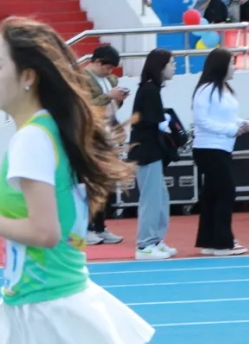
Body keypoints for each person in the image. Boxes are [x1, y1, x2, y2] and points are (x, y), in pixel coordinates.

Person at [0, 16, 242, 344]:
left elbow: (46, 232)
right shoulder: (46, 130)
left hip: (51, 304)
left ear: (28, 76)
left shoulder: (34, 139)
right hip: (24, 300)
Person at [191, 48, 248, 256]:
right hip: (208, 148)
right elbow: (202, 121)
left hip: (222, 147)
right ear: (221, 66)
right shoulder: (206, 90)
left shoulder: (224, 90)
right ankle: (223, 243)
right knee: (226, 192)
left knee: (212, 194)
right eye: (232, 63)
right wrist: (231, 130)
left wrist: (242, 123)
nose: (235, 67)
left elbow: (226, 117)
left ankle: (210, 241)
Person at [128, 49, 179, 260]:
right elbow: (151, 121)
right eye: (171, 63)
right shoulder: (149, 90)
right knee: (151, 199)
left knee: (161, 198)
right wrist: (166, 123)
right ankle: (145, 244)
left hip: (153, 151)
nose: (174, 67)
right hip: (146, 152)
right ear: (160, 66)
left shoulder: (152, 90)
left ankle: (156, 240)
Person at [84, 44, 127, 245]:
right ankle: (87, 227)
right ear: (97, 62)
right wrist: (109, 96)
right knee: (91, 184)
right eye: (107, 67)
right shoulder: (82, 78)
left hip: (108, 134)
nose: (110, 72)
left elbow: (112, 107)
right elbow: (84, 106)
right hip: (90, 136)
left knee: (106, 184)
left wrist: (118, 98)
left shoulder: (111, 80)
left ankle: (100, 226)